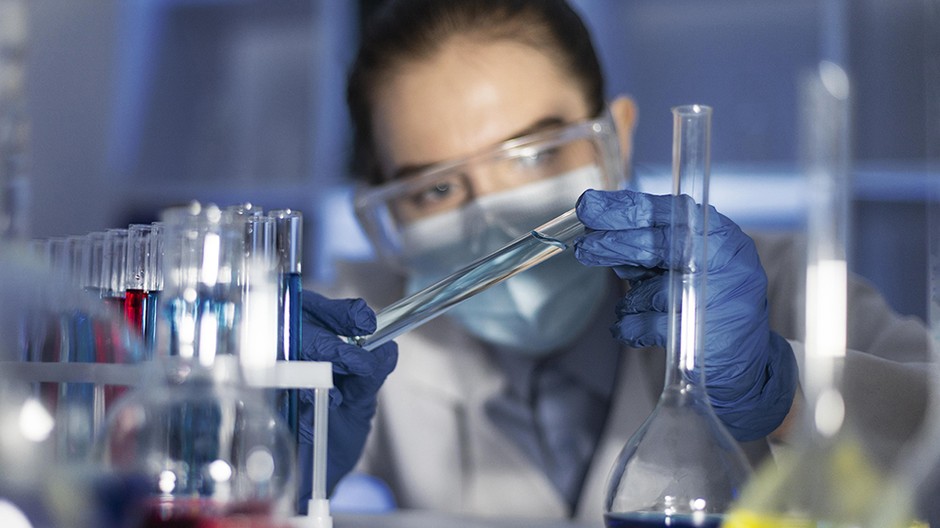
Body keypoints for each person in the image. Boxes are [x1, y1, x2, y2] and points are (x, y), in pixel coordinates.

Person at [296, 0, 931, 521]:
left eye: (533, 155)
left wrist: (784, 392)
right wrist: (276, 465)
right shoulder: (357, 338)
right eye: (434, 188)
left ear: (615, 138)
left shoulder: (776, 283)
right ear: (378, 215)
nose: (494, 220)